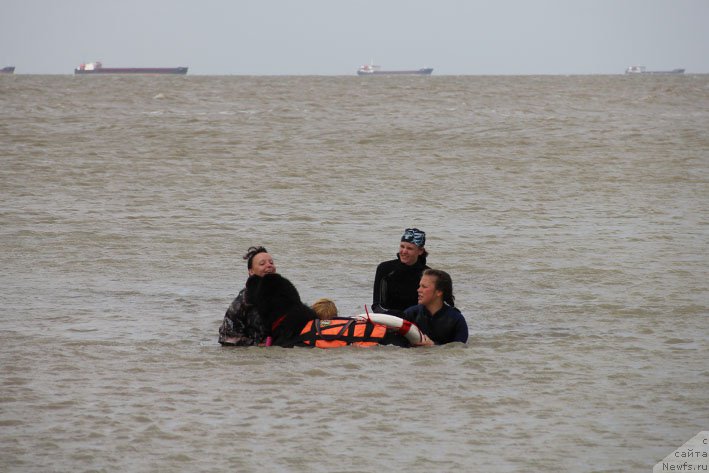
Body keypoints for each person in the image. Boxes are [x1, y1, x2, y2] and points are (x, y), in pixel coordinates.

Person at [218, 246, 276, 346]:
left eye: (271, 263)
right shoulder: (243, 300)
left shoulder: (282, 296)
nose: (269, 265)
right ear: (251, 272)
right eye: (262, 263)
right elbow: (225, 337)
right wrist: (256, 344)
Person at [372, 228, 430, 316]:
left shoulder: (429, 274)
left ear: (420, 251)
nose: (404, 251)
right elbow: (376, 305)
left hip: (415, 321)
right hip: (387, 318)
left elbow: (430, 307)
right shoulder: (384, 269)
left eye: (410, 248)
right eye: (402, 246)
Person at [402, 269, 468, 345]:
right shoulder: (410, 314)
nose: (418, 290)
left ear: (439, 292)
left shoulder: (457, 320)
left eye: (424, 287)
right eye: (420, 286)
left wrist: (433, 346)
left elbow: (459, 350)